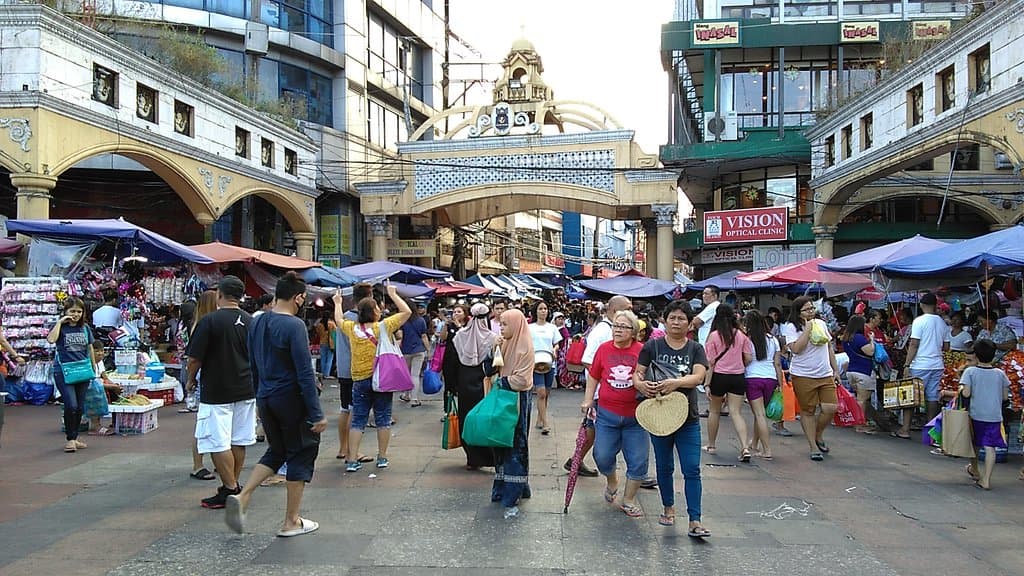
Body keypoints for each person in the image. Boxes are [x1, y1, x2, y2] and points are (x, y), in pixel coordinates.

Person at [226, 272, 327, 537]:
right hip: (291, 399)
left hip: (266, 396)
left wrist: (259, 397)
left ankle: (243, 494)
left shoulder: (257, 322)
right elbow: (304, 372)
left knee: (278, 450)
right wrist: (316, 412)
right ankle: (291, 521)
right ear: (299, 297)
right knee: (301, 452)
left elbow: (253, 363)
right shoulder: (293, 326)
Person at [634, 299, 710, 536]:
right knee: (664, 467)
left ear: (689, 324)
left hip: (688, 418)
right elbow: (638, 373)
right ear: (664, 321)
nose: (676, 322)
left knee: (691, 469)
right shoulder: (652, 346)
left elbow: (699, 377)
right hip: (659, 417)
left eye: (681, 318)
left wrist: (675, 382)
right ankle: (668, 508)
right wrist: (641, 385)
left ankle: (695, 520)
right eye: (672, 318)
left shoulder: (695, 349)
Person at [186, 276, 256, 509]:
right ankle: (231, 485)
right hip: (246, 388)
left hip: (217, 390)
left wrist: (189, 381)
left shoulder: (209, 321)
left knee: (216, 442)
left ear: (220, 295)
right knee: (238, 439)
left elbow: (195, 358)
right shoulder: (250, 321)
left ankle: (231, 488)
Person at [336, 284, 411, 473]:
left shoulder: (352, 329)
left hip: (360, 380)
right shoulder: (383, 327)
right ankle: (382, 457)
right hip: (382, 379)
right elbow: (406, 311)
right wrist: (393, 294)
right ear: (375, 311)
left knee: (358, 420)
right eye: (378, 307)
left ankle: (352, 459)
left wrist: (337, 303)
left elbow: (338, 320)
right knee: (383, 418)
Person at [582, 310, 647, 518]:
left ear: (633, 331)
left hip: (636, 416)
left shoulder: (642, 351)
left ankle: (628, 499)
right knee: (601, 456)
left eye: (623, 327)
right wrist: (588, 399)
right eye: (615, 326)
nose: (617, 330)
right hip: (607, 413)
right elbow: (593, 376)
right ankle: (612, 480)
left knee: (638, 460)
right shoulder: (604, 349)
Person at [567, 295, 633, 477]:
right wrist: (608, 378)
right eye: (627, 308)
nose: (631, 312)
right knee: (595, 430)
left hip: (608, 393)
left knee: (592, 430)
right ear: (614, 310)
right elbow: (588, 360)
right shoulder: (602, 332)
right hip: (600, 394)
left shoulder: (613, 330)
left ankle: (575, 461)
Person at [781, 296, 840, 461]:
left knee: (830, 407)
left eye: (812, 308)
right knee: (808, 411)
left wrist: (835, 369)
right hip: (803, 374)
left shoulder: (821, 323)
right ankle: (813, 447)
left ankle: (818, 434)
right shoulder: (791, 327)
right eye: (807, 309)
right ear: (798, 312)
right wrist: (807, 329)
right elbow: (797, 349)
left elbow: (828, 346)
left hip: (825, 373)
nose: (811, 312)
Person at [490, 308, 535, 519]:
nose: (501, 328)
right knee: (502, 442)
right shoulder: (505, 343)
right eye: (500, 323)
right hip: (503, 398)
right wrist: (496, 349)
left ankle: (513, 491)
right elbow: (493, 367)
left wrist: (500, 382)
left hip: (517, 399)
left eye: (505, 324)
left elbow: (522, 380)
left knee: (516, 444)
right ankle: (503, 487)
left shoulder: (525, 346)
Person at [449, 303, 497, 469]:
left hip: (463, 384)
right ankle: (486, 456)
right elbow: (496, 363)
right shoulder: (491, 338)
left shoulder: (459, 336)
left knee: (466, 418)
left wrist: (451, 386)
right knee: (482, 419)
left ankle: (472, 457)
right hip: (484, 384)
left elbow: (450, 363)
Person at [703, 304, 753, 462]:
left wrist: (707, 384)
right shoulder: (741, 335)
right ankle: (745, 446)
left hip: (719, 376)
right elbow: (749, 358)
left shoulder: (714, 336)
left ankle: (711, 445)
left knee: (714, 411)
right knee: (736, 412)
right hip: (737, 376)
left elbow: (710, 363)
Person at [47, 297, 96, 453]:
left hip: (83, 370)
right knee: (71, 405)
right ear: (66, 311)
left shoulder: (85, 328)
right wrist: (60, 322)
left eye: (79, 311)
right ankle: (70, 440)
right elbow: (51, 339)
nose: (76, 314)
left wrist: (93, 366)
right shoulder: (60, 327)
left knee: (80, 407)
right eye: (72, 311)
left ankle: (74, 438)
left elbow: (90, 348)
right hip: (64, 371)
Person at [898, 292, 950, 439]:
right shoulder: (942, 323)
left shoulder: (919, 321)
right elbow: (946, 347)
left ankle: (905, 429)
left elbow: (914, 344)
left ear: (921, 305)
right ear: (935, 306)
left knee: (911, 396)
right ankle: (931, 430)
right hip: (937, 365)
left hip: (920, 364)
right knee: (932, 398)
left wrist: (907, 364)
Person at [960, 339, 1010, 490]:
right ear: (994, 356)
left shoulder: (970, 372)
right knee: (990, 447)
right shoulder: (1000, 374)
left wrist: (961, 388)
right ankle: (986, 479)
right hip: (994, 415)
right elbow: (1005, 397)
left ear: (976, 355)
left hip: (976, 414)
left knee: (975, 443)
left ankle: (975, 470)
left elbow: (966, 393)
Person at [335, 283, 373, 463]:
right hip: (356, 370)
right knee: (354, 411)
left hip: (342, 368)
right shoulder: (359, 320)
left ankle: (343, 448)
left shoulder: (343, 317)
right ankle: (353, 452)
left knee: (345, 409)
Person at [742, 309, 785, 458]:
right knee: (759, 414)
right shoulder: (773, 340)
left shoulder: (747, 340)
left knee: (759, 414)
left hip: (753, 378)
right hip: (771, 379)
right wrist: (780, 384)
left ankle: (766, 450)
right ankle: (754, 443)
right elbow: (777, 364)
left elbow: (746, 360)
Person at [529, 301, 562, 435]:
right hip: (535, 363)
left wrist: (555, 349)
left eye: (545, 308)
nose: (543, 311)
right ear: (535, 311)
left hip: (549, 362)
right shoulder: (529, 327)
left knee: (546, 393)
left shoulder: (552, 328)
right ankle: (546, 423)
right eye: (541, 309)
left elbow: (557, 344)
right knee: (541, 392)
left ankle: (540, 418)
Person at [841, 315, 878, 435]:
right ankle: (859, 424)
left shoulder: (846, 338)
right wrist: (872, 340)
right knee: (862, 399)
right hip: (863, 371)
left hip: (851, 370)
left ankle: (859, 421)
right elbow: (870, 351)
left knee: (858, 398)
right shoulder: (859, 338)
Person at [398, 300, 430, 407]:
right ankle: (414, 399)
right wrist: (428, 350)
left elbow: (400, 337)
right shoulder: (420, 320)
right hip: (419, 350)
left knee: (406, 374)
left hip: (405, 351)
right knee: (415, 375)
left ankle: (406, 394)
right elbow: (424, 336)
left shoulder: (402, 321)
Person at [553, 311, 574, 389]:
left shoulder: (563, 329)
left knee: (561, 367)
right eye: (559, 319)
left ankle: (561, 382)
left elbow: (567, 339)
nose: (561, 321)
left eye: (562, 319)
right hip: (554, 350)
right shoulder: (553, 328)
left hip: (562, 351)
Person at [315, 312, 337, 379]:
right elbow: (335, 332)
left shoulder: (319, 324)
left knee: (323, 359)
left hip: (322, 343)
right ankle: (326, 374)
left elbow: (317, 333)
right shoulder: (332, 323)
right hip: (331, 343)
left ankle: (322, 373)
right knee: (329, 359)